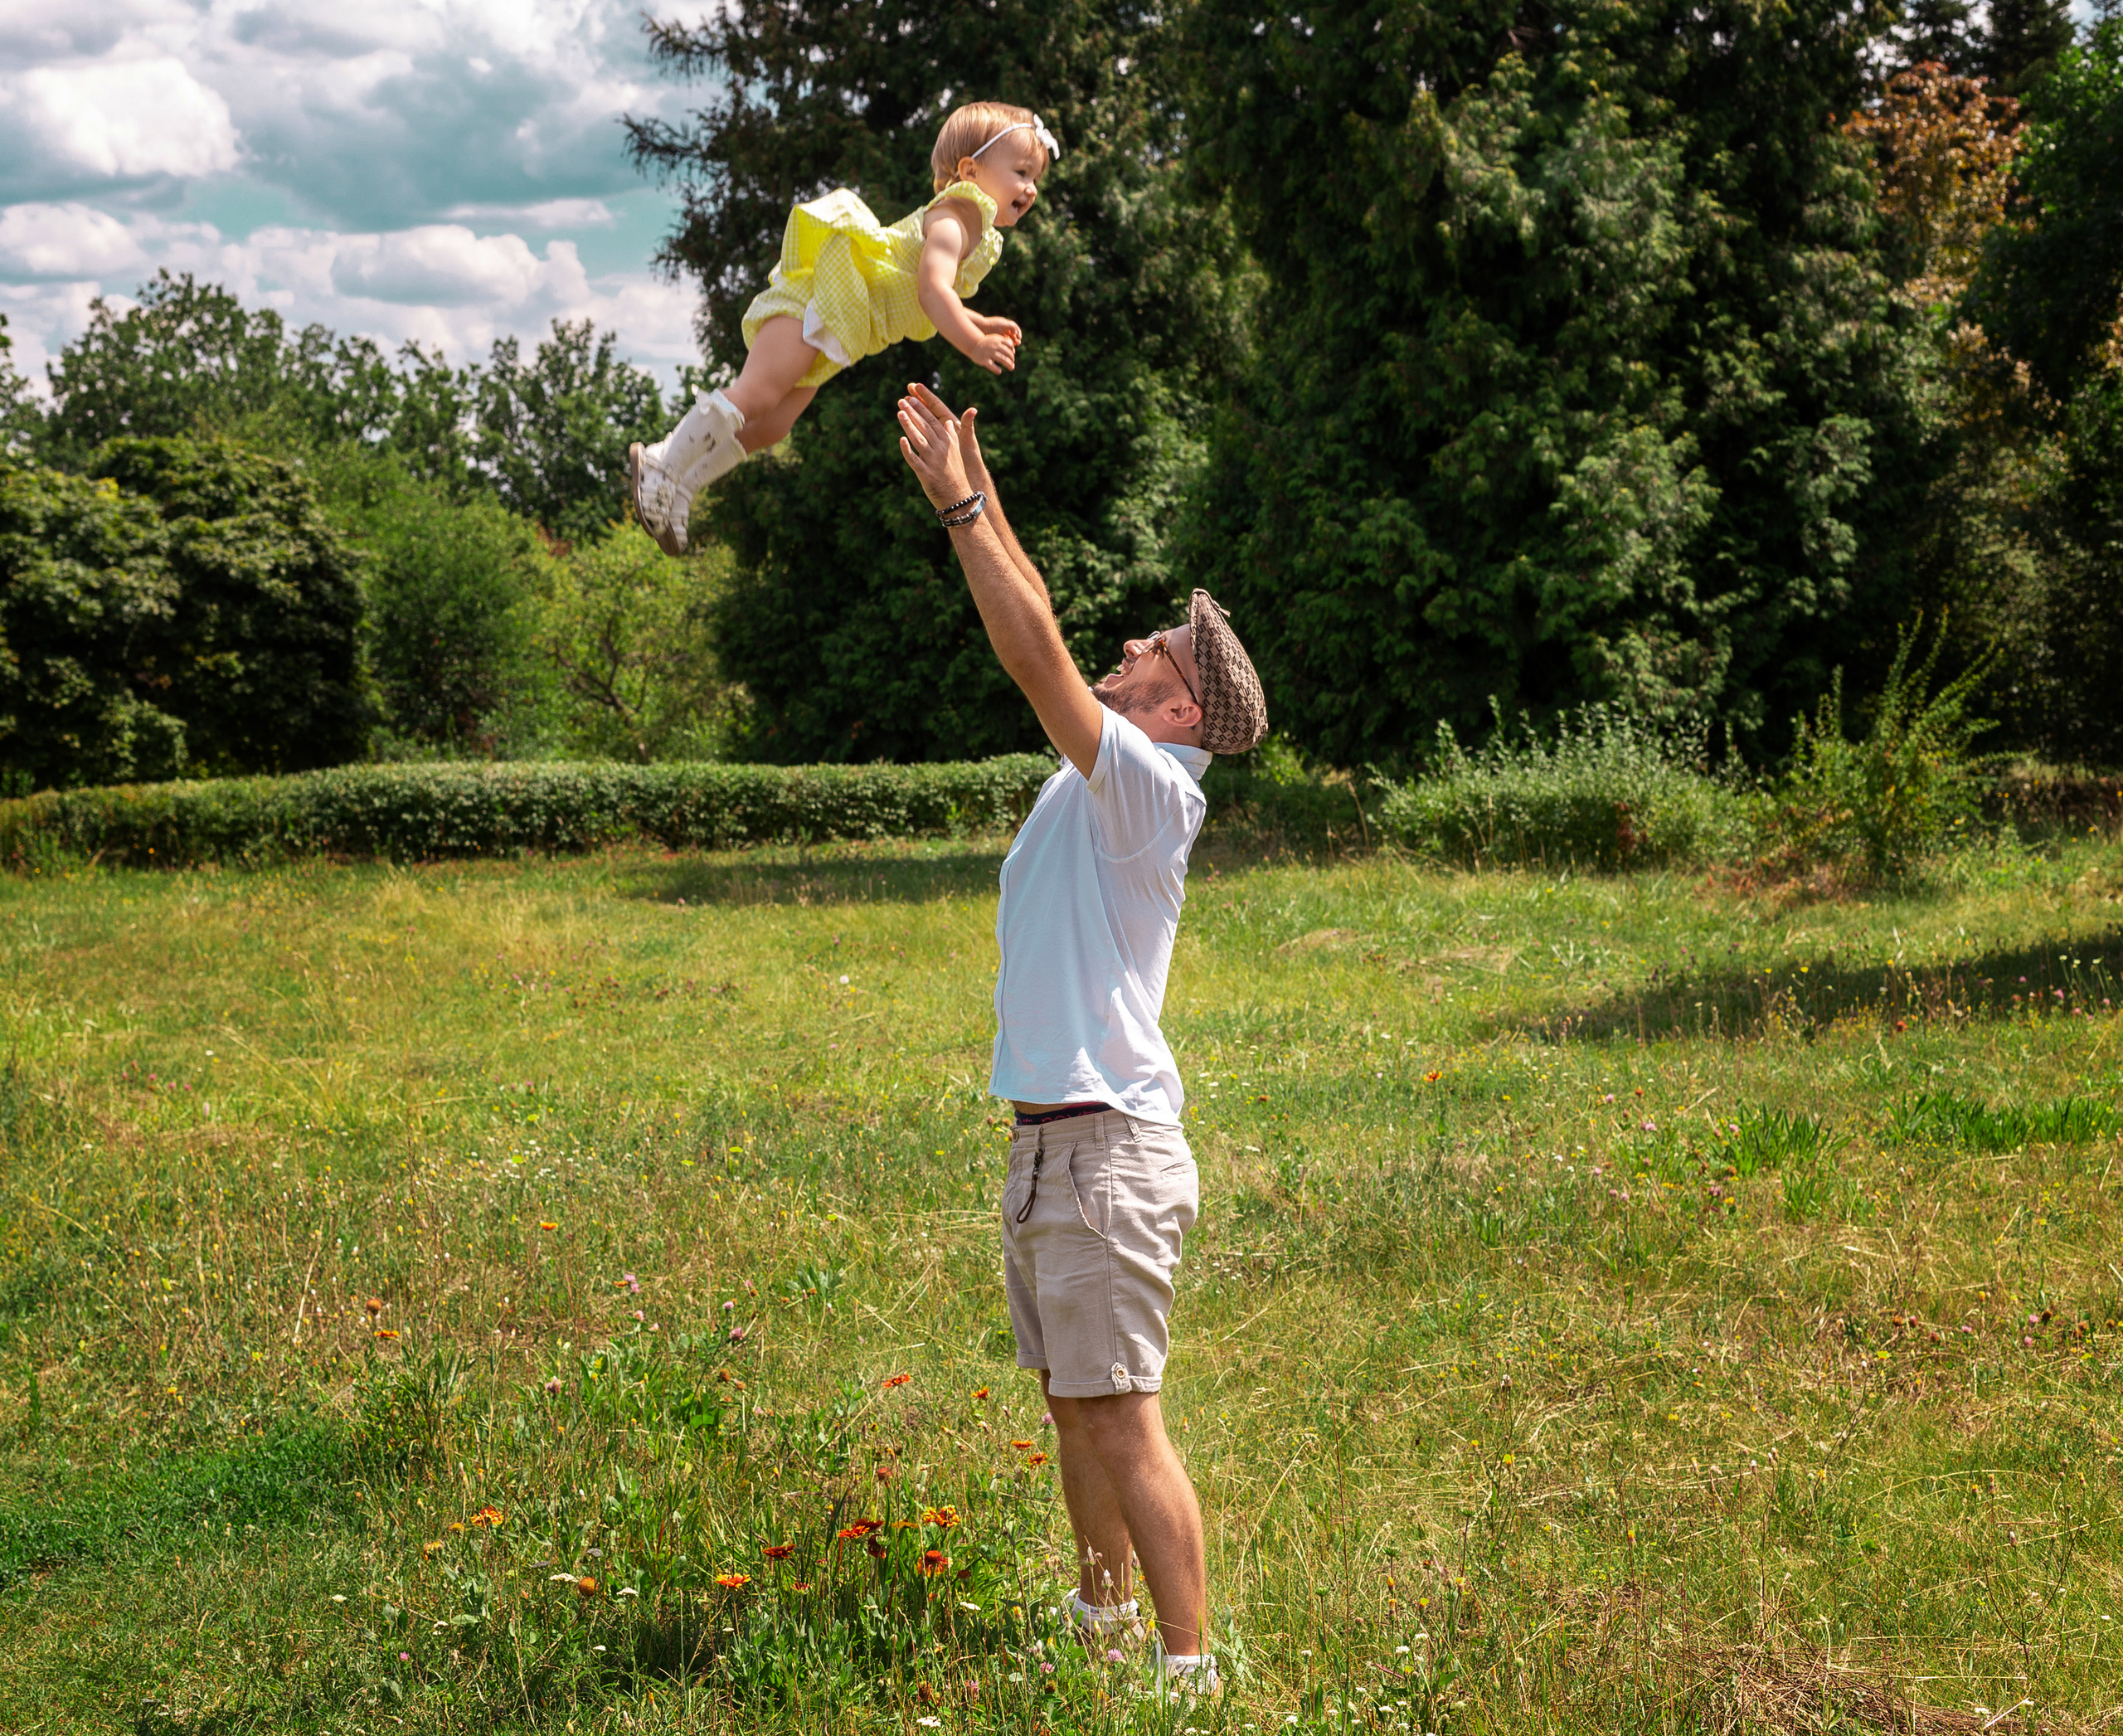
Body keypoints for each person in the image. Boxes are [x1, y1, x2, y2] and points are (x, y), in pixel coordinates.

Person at [893, 382, 1268, 1700]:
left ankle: (1187, 1669)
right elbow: (1045, 625)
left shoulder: (1151, 788)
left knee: (1122, 1413)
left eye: (1158, 653)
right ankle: (1103, 1623)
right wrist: (982, 494)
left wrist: (958, 508)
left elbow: (1036, 651)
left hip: (1108, 1151)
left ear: (1180, 715)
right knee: (1073, 1406)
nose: (1135, 646)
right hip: (1056, 1144)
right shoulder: (1108, 771)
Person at [629, 100, 1057, 556]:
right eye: (1022, 172)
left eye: (1035, 178)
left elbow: (928, 295)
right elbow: (934, 293)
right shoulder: (952, 222)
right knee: (756, 396)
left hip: (840, 327)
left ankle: (682, 488)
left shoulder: (972, 232)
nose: (1030, 188)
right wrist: (973, 342)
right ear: (970, 170)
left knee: (773, 425)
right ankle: (661, 464)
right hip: (819, 304)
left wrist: (978, 319)